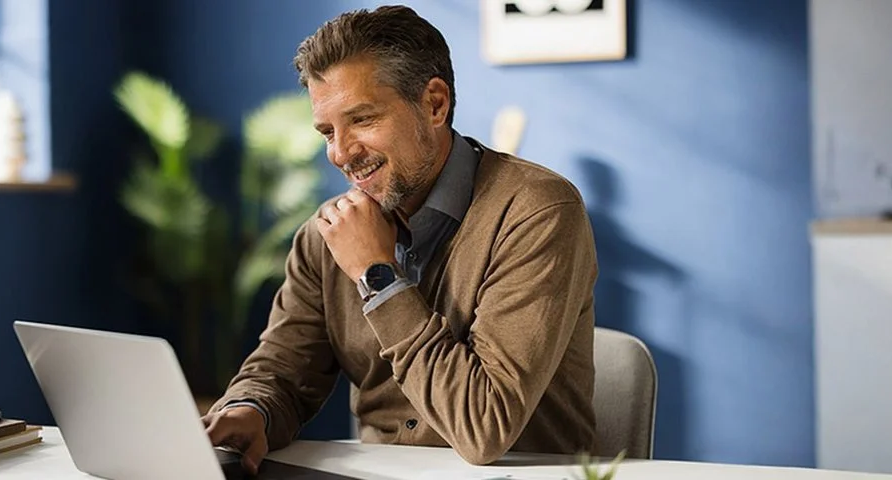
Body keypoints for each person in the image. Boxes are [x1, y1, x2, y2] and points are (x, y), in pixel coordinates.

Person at [201, 5, 598, 473]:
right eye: (327, 131)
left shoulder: (537, 211)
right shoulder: (323, 237)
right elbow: (281, 372)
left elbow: (484, 427)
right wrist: (251, 410)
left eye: (363, 120)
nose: (341, 153)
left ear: (434, 104)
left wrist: (377, 275)